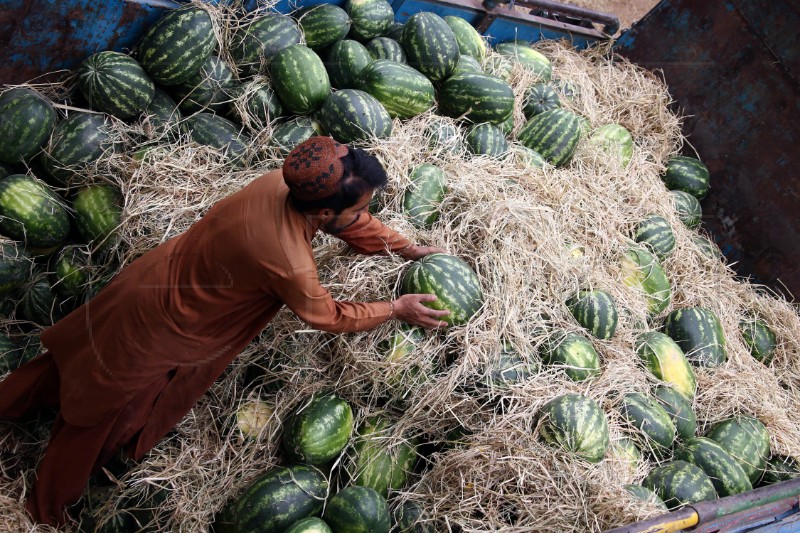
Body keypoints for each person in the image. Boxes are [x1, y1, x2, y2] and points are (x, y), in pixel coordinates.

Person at [0, 136, 449, 526]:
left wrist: (404, 248)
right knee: (98, 418)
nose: (365, 212)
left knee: (71, 359)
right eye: (362, 204)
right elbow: (325, 315)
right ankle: (46, 510)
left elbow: (349, 220)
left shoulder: (283, 183)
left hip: (146, 281)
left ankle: (9, 403)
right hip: (160, 329)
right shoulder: (289, 260)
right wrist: (394, 308)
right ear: (325, 211)